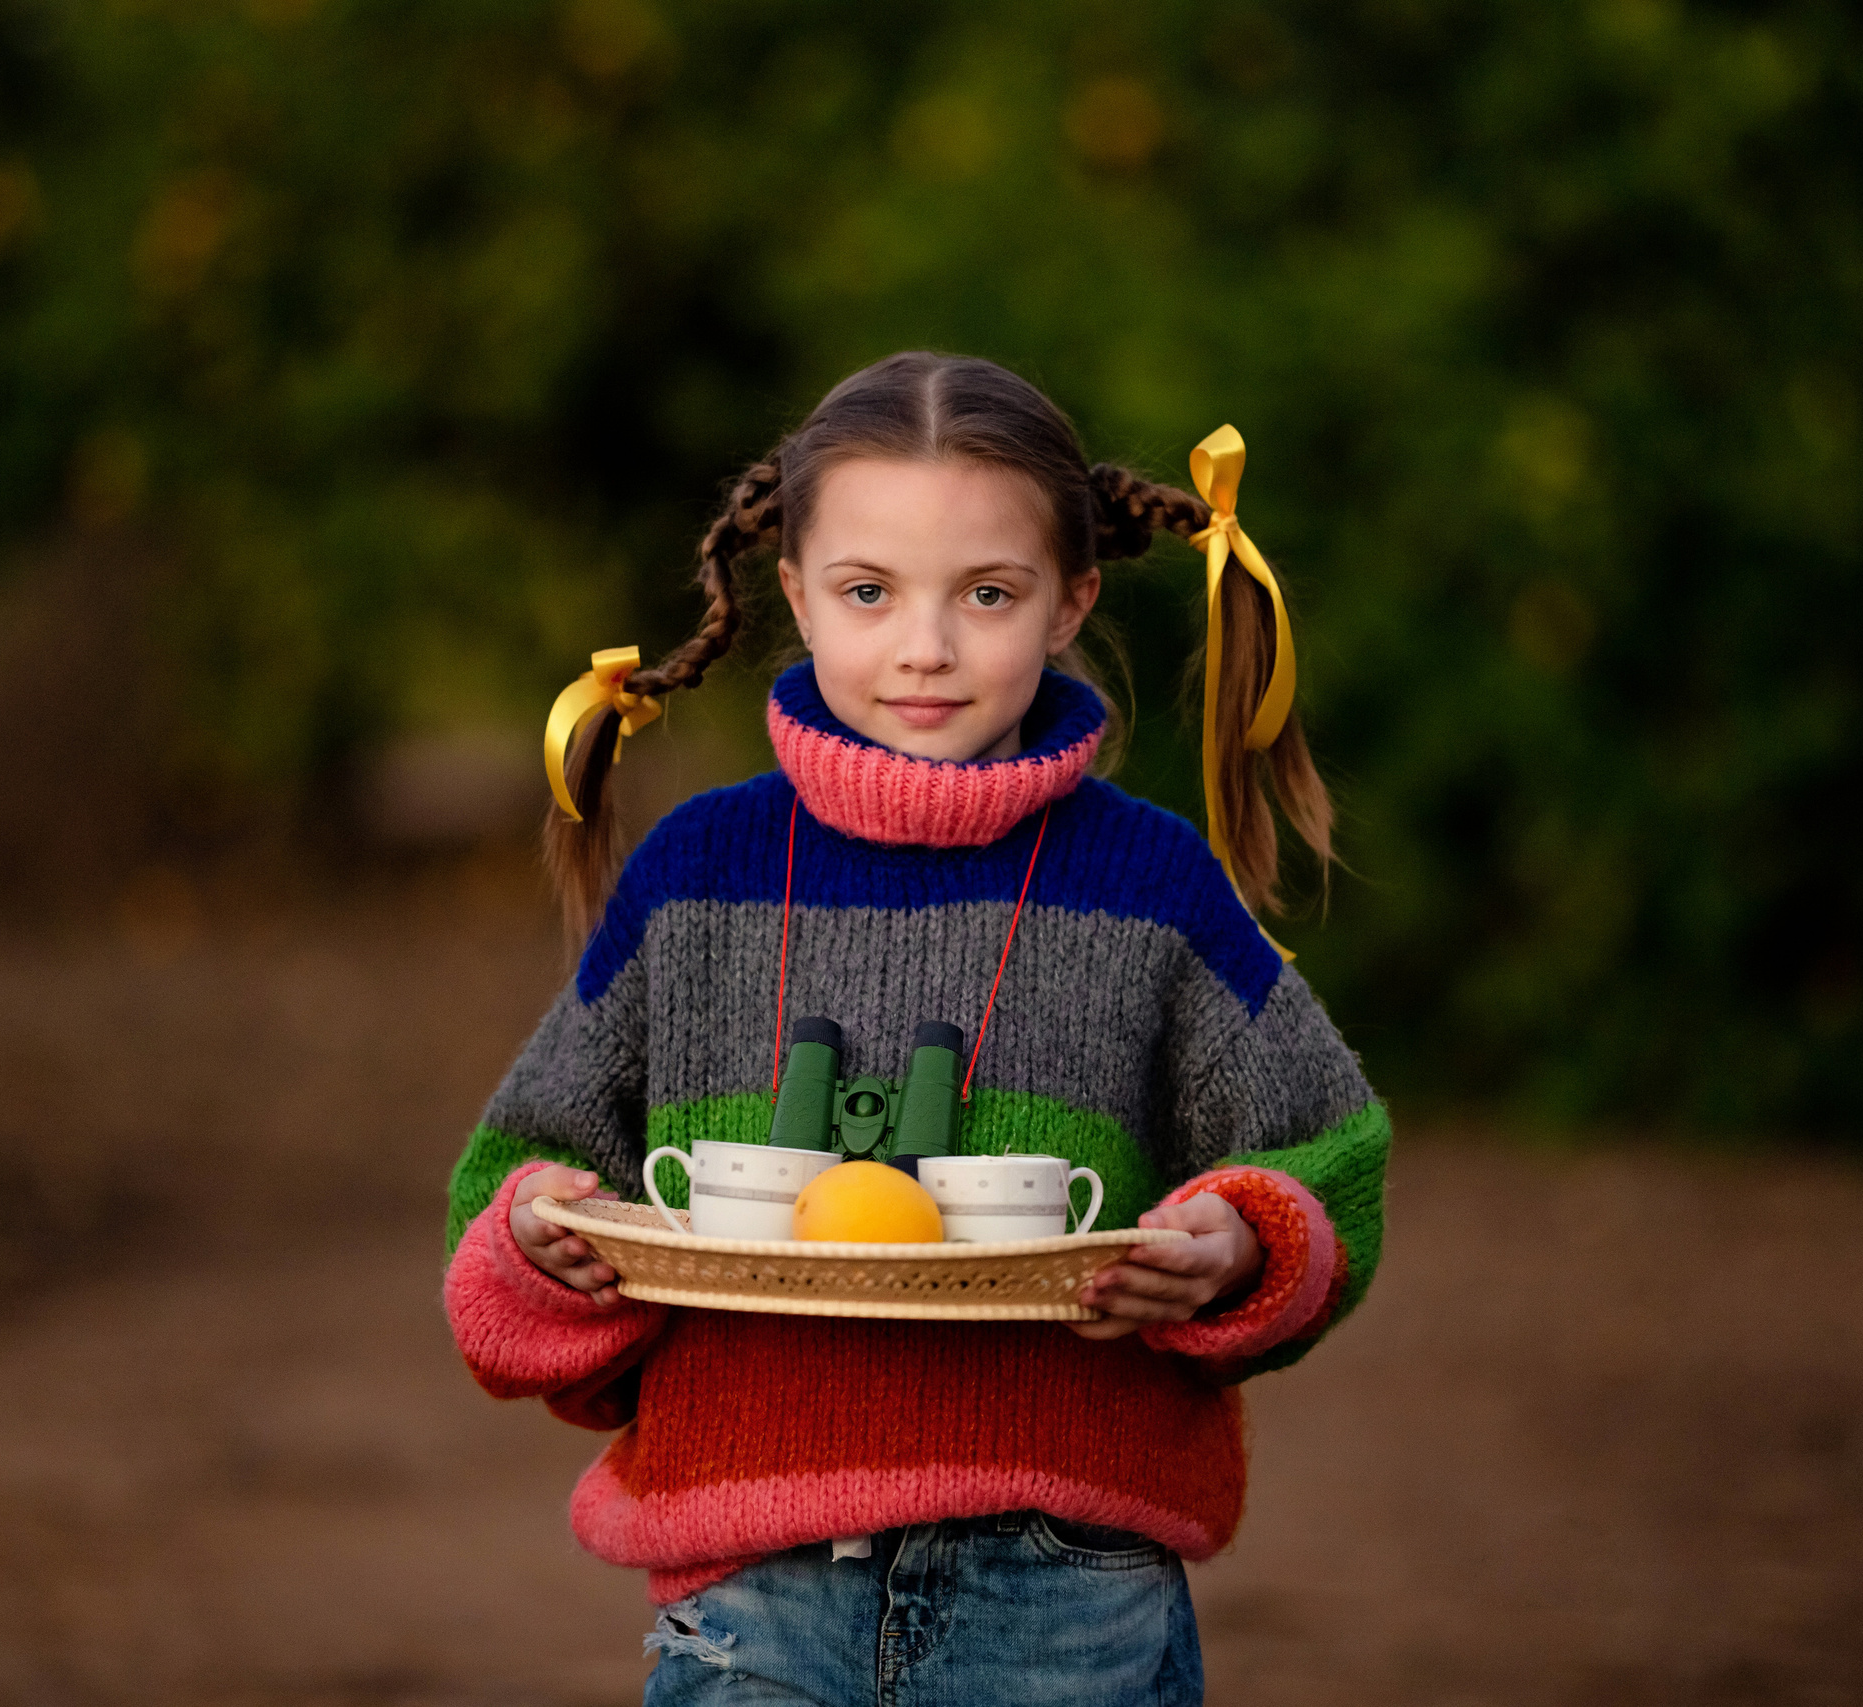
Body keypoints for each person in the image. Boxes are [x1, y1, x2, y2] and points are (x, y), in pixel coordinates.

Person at [443, 352, 1389, 1706]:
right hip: (752, 1596)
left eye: (987, 595)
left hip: (1069, 1597)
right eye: (870, 593)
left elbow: (1330, 1154)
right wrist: (545, 1234)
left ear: (1072, 603)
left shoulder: (1152, 887)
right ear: (795, 596)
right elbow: (513, 1183)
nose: (926, 646)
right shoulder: (697, 876)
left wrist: (1243, 1238)